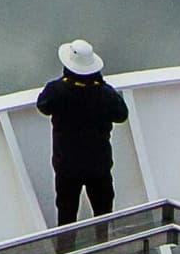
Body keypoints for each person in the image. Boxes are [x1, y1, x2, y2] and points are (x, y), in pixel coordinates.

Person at [36, 40, 131, 223]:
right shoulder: (105, 93)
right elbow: (121, 115)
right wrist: (101, 84)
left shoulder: (56, 90)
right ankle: (103, 240)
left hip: (67, 165)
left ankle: (67, 241)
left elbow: (43, 106)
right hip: (99, 164)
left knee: (66, 212)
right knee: (103, 211)